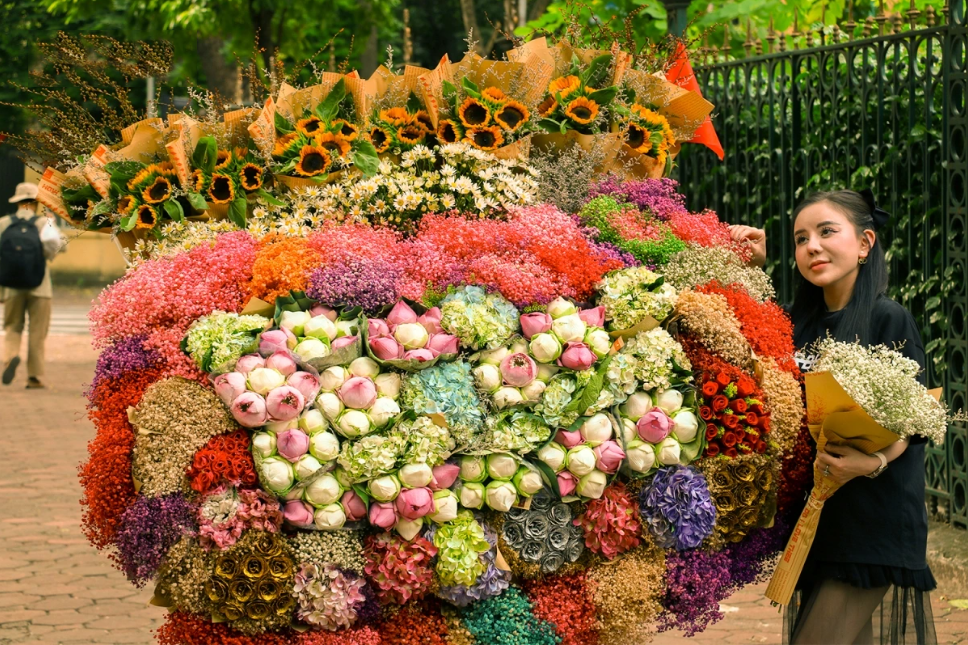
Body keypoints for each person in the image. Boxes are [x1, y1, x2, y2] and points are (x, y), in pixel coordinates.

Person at [730, 190, 936, 645]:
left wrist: (872, 463)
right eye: (801, 239)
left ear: (864, 244)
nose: (812, 247)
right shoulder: (796, 324)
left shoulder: (889, 319)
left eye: (826, 232)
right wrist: (750, 268)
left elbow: (916, 416)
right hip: (817, 516)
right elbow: (750, 339)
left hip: (873, 514)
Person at [1, 182, 64, 389]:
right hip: (40, 285)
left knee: (12, 327)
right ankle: (34, 377)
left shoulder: (3, 223)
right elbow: (60, 245)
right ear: (36, 203)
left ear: (17, 202)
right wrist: (46, 252)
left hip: (11, 286)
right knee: (37, 331)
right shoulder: (43, 223)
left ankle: (10, 356)